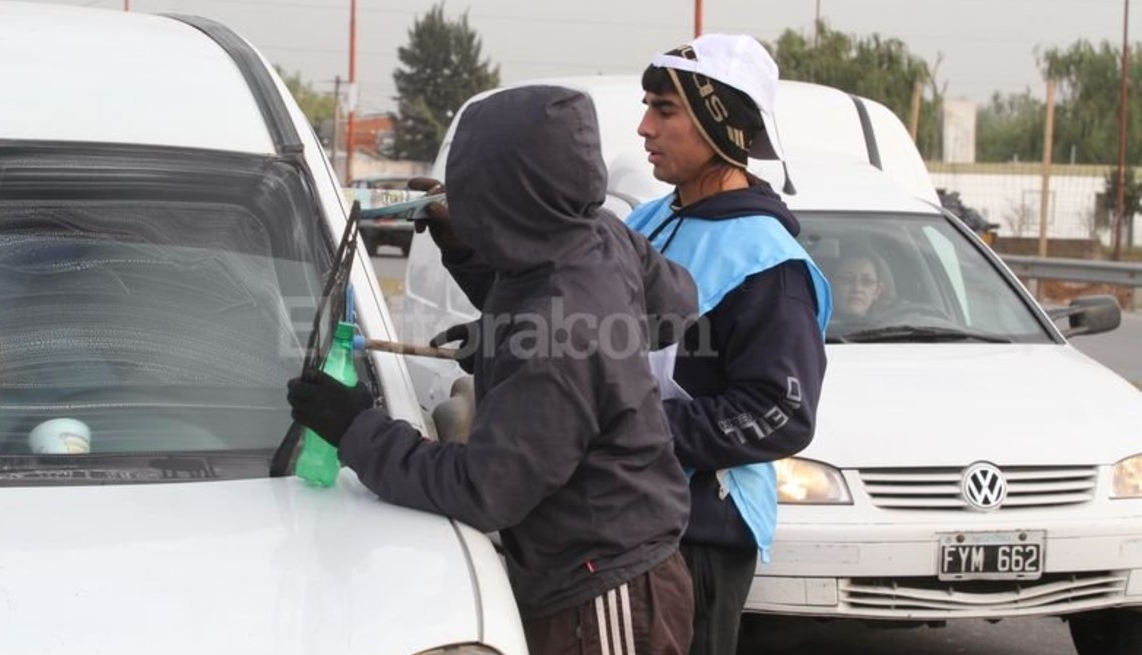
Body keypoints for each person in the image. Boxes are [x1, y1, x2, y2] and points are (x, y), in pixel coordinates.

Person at [288, 85, 700, 654]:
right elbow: (673, 306)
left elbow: (485, 490)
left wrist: (358, 429)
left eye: (476, 193)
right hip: (615, 562)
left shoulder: (559, 333)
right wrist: (489, 296)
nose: (469, 205)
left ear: (509, 197)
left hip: (604, 592)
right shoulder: (591, 232)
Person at [624, 34, 833, 655]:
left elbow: (783, 413)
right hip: (630, 511)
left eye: (664, 110)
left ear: (721, 123)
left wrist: (635, 426)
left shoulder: (770, 262)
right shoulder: (651, 219)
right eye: (648, 106)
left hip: (701, 533)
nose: (643, 127)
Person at [831, 250, 891, 321]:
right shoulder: (816, 325)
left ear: (877, 291)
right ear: (832, 285)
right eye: (847, 279)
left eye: (867, 281)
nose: (857, 289)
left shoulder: (895, 323)